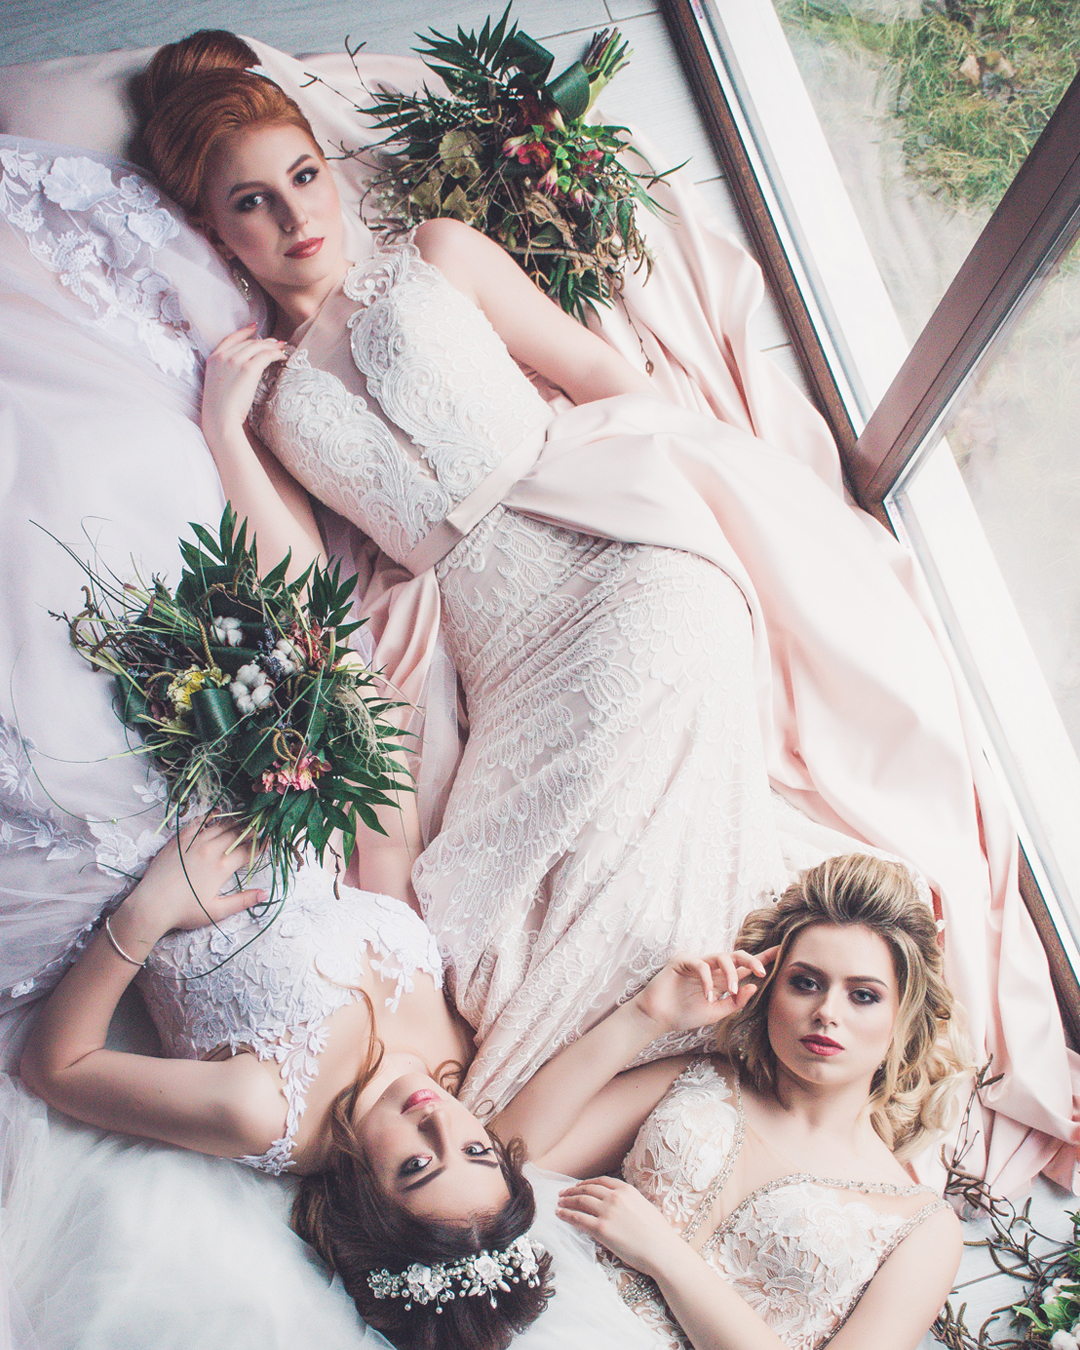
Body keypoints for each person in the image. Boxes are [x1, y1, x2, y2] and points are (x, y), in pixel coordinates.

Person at [135, 29, 791, 1113]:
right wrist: (225, 430)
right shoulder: (266, 390)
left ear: (332, 172)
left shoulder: (437, 253)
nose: (297, 218)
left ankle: (686, 1046)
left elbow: (595, 373)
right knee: (469, 908)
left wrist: (683, 482)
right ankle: (664, 1048)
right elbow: (305, 576)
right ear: (214, 229)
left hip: (614, 542)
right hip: (492, 635)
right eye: (253, 202)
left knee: (636, 728)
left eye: (305, 177)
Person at [18, 819, 553, 1350]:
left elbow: (57, 1067)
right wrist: (357, 748)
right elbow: (387, 852)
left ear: (364, 1195)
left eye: (417, 1165)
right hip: (289, 786)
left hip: (139, 835)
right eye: (475, 1149)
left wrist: (151, 910)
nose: (437, 1119)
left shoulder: (262, 1110)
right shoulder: (453, 1058)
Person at [495, 852, 969, 1350]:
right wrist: (646, 1016)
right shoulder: (697, 1078)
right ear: (770, 989)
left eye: (864, 995)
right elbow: (501, 1160)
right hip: (530, 1314)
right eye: (805, 983)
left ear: (903, 1017)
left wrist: (664, 1255)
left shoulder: (923, 1229)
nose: (827, 1012)